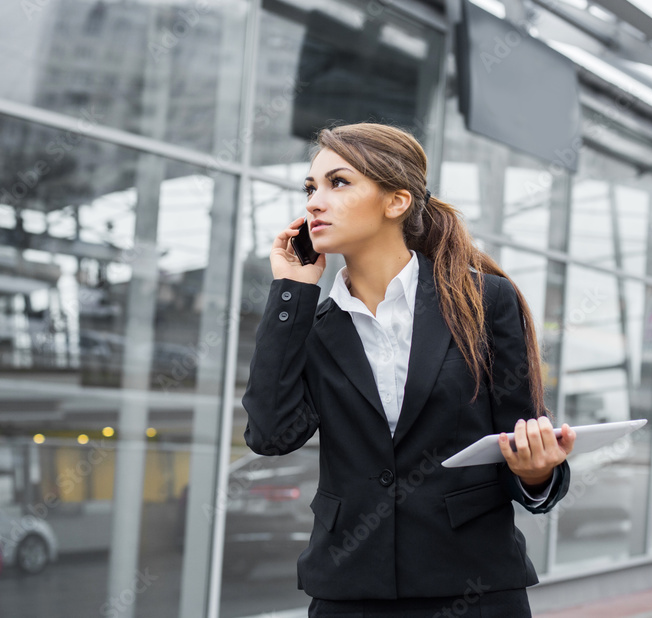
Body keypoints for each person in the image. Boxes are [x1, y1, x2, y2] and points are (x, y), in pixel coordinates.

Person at [241, 122, 576, 617]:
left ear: (396, 202)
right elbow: (271, 434)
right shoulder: (311, 323)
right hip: (350, 592)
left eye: (338, 183)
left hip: (474, 587)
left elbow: (521, 436)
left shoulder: (484, 303)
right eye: (310, 188)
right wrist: (291, 290)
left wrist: (537, 471)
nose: (313, 202)